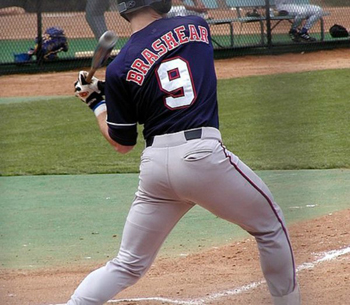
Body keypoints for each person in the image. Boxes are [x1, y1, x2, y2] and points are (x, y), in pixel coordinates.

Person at [71, 0, 301, 304]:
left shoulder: (119, 67)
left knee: (127, 264)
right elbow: (166, 74)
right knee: (270, 227)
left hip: (155, 170)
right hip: (201, 157)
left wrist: (97, 101)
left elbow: (122, 142)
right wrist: (108, 90)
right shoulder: (194, 26)